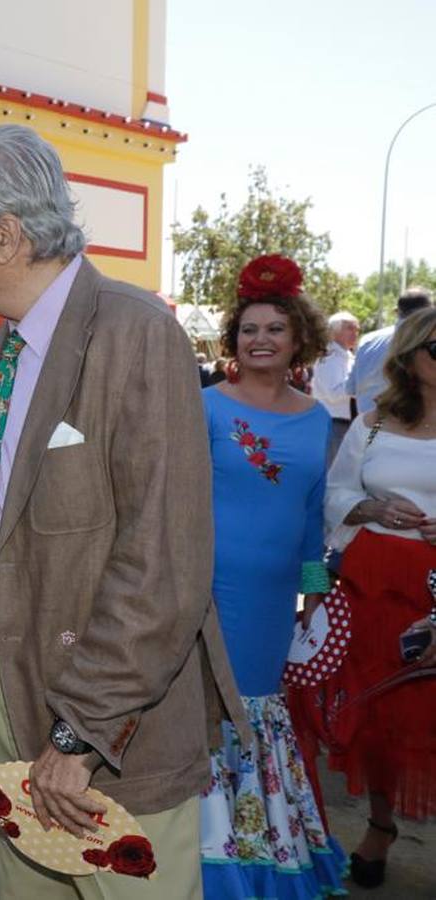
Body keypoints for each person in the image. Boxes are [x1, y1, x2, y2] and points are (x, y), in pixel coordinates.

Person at [0, 125, 245, 899]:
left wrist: (81, 732)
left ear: (2, 236)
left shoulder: (134, 334)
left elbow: (162, 565)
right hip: (6, 674)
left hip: (104, 715)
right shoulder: (13, 340)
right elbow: (5, 471)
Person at [197, 255, 347, 897]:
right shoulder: (203, 406)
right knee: (209, 711)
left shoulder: (317, 419)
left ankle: (263, 847)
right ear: (234, 339)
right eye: (249, 329)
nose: (259, 340)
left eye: (274, 330)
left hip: (272, 599)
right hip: (206, 588)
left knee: (258, 706)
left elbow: (312, 510)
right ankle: (206, 849)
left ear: (299, 340)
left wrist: (314, 585)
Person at [323, 306, 436, 888]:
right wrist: (370, 507)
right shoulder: (370, 424)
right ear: (410, 358)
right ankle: (381, 824)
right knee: (378, 713)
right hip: (373, 584)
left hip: (433, 587)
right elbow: (337, 492)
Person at [349, 287, 432, 415]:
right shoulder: (425, 340)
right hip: (407, 426)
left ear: (396, 311)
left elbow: (350, 388)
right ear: (429, 312)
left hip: (367, 427)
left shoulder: (367, 340)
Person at [313, 310, 360, 465]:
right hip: (333, 422)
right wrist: (362, 386)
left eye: (357, 329)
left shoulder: (348, 356)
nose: (355, 333)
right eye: (350, 328)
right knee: (332, 471)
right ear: (335, 331)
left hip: (347, 422)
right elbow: (334, 393)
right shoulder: (329, 357)